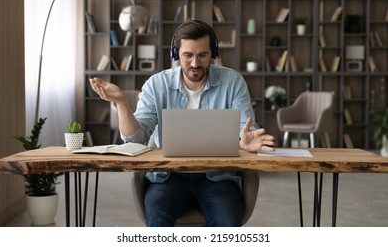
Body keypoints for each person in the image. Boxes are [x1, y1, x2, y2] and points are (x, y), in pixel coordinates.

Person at [89, 19, 275, 227]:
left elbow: (246, 129)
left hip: (217, 176)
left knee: (228, 225)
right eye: (188, 55)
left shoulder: (232, 82)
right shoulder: (156, 84)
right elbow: (136, 138)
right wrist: (121, 102)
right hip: (168, 177)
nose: (195, 64)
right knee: (158, 225)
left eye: (203, 55)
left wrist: (245, 140)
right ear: (176, 54)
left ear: (213, 53)